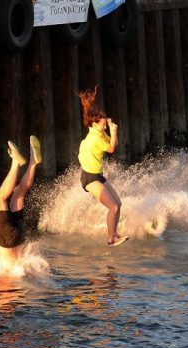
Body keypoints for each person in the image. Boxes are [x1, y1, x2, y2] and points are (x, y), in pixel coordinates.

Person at [78, 86, 129, 247]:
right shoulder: (95, 138)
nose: (104, 127)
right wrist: (114, 133)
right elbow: (112, 148)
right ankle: (111, 238)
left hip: (97, 175)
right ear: (93, 123)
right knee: (113, 206)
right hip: (89, 178)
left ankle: (114, 233)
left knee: (118, 204)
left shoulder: (99, 133)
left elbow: (114, 144)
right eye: (102, 124)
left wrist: (111, 130)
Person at [0, 136, 42, 268]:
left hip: (18, 235)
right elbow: (6, 284)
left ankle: (33, 162)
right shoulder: (8, 273)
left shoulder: (19, 267)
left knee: (19, 192)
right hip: (7, 238)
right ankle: (15, 162)